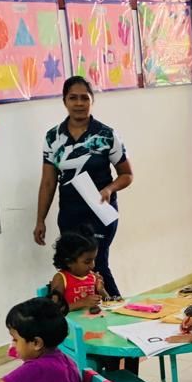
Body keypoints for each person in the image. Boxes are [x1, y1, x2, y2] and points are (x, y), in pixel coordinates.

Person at [36, 75, 134, 297]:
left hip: (100, 212)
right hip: (70, 213)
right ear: (64, 101)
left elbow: (127, 174)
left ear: (92, 100)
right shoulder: (53, 137)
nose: (79, 103)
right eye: (73, 98)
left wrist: (109, 189)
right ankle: (81, 311)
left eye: (84, 98)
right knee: (72, 267)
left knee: (96, 264)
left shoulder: (106, 135)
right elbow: (48, 182)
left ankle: (117, 307)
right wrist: (40, 219)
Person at [49, 231, 106, 311]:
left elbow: (109, 303)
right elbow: (53, 310)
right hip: (69, 319)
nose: (93, 265)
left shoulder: (92, 277)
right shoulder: (61, 278)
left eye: (94, 259)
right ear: (69, 262)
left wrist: (101, 290)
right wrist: (82, 303)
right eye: (87, 262)